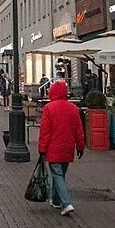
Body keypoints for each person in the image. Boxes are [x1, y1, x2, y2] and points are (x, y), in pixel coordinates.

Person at [37, 80, 85, 217]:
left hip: (53, 148)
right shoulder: (73, 108)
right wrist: (80, 146)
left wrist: (42, 148)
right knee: (60, 174)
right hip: (68, 147)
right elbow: (78, 130)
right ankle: (56, 200)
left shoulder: (49, 108)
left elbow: (45, 131)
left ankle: (66, 203)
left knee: (57, 175)